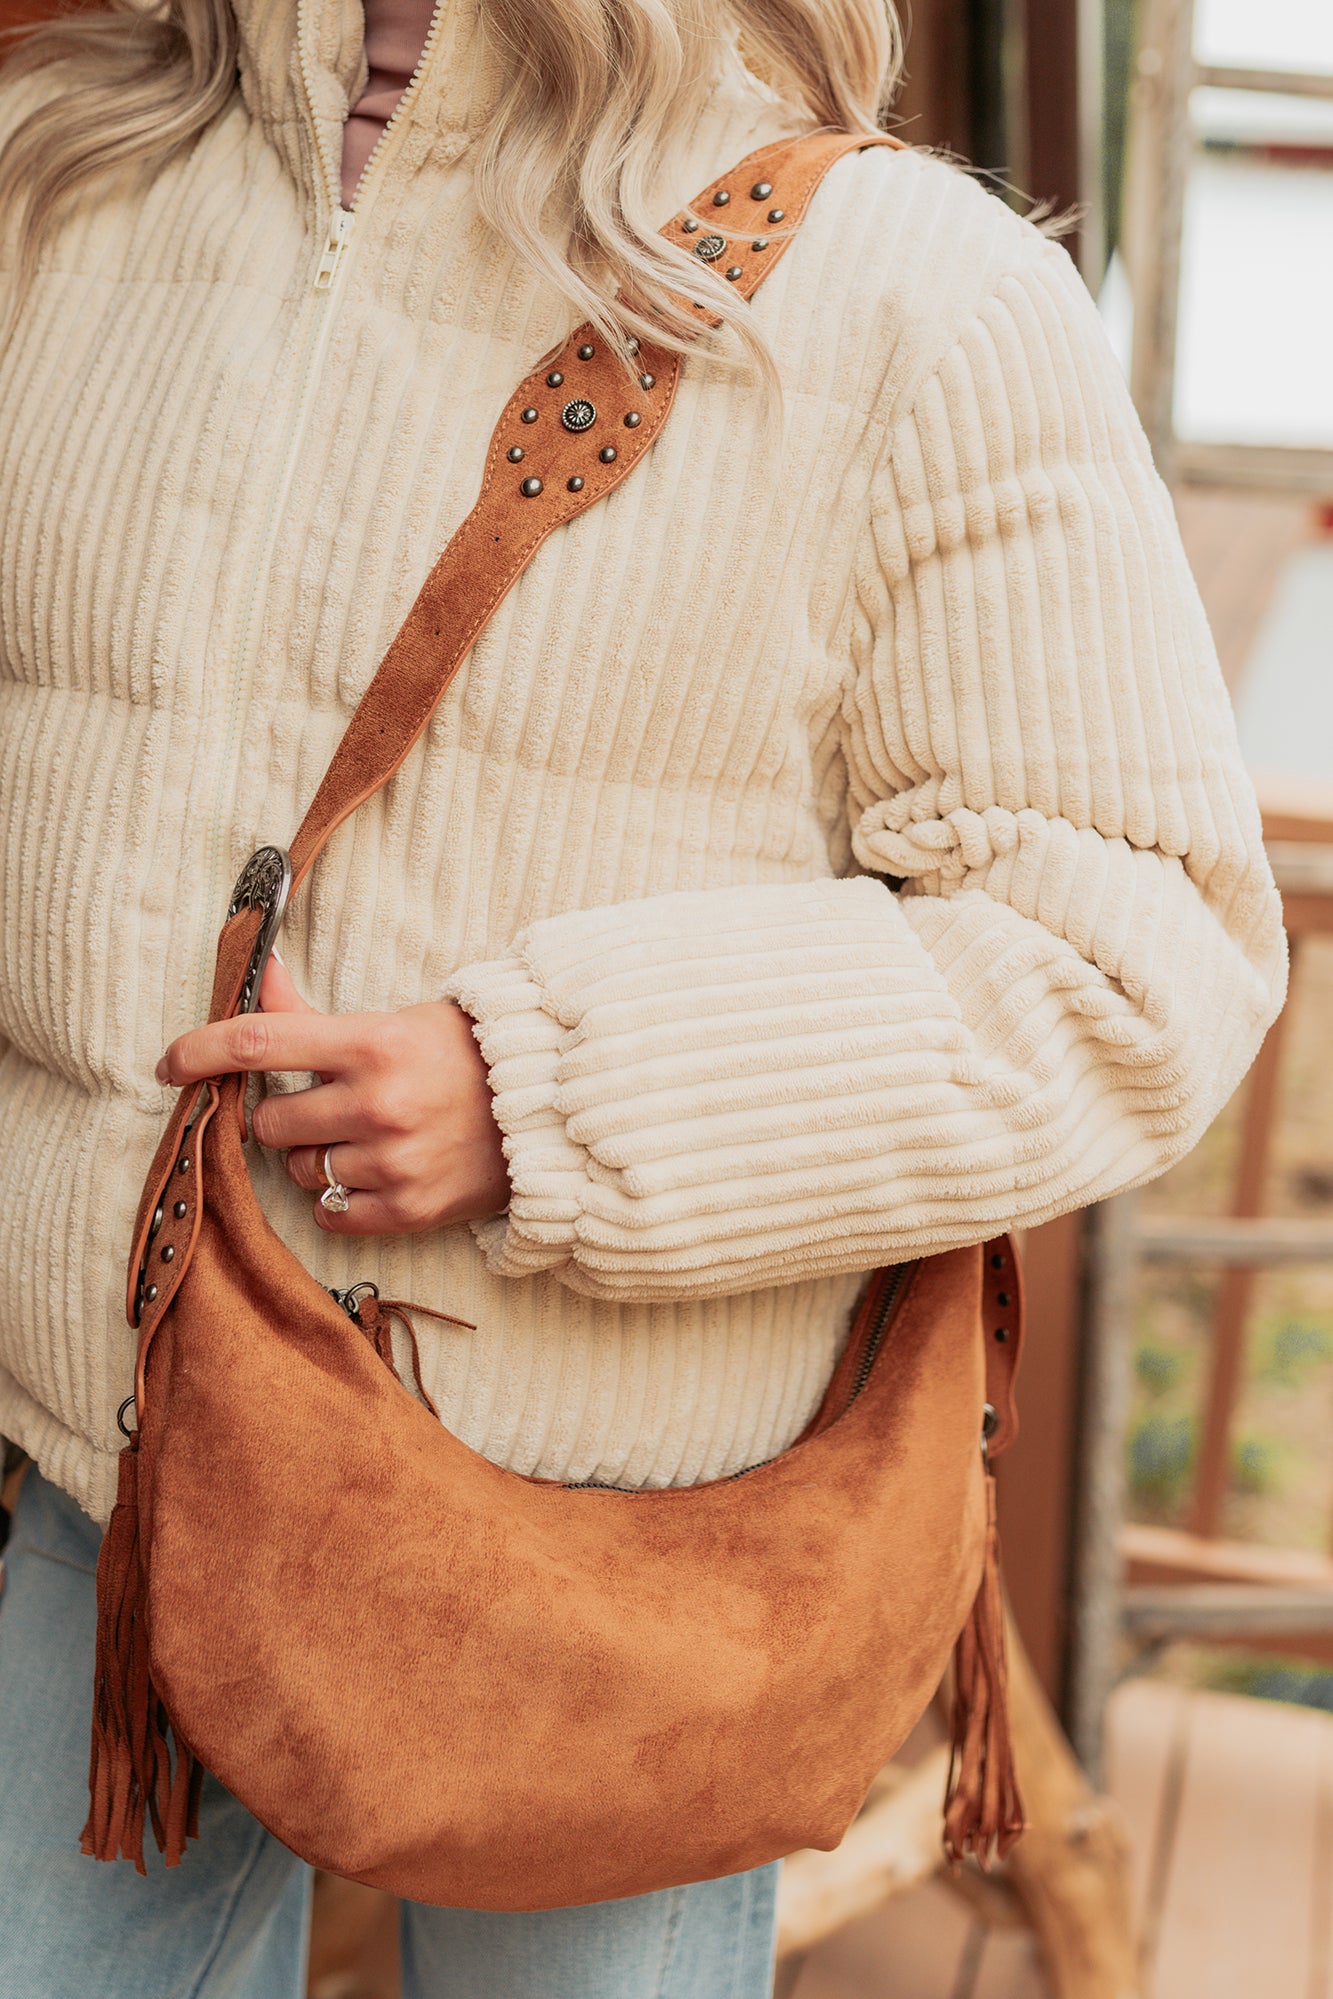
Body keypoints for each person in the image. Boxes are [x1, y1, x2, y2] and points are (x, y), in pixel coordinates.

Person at [0, 1, 1285, 1994]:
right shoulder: (62, 184)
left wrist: (552, 1089)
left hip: (614, 1539)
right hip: (99, 1469)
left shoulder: (918, 296)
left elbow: (1130, 946)